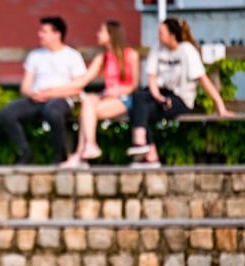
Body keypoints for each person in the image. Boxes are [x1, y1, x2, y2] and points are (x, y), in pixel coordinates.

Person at [127, 17, 235, 167]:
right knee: (138, 99)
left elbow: (204, 80)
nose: (158, 36)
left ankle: (149, 154)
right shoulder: (157, 48)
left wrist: (220, 106)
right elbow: (152, 78)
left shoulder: (187, 51)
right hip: (160, 94)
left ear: (172, 35)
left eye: (161, 33)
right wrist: (159, 98)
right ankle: (142, 145)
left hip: (181, 99)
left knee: (140, 111)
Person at [0, 16, 87, 165]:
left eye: (44, 31)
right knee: (7, 113)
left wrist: (52, 93)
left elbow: (78, 87)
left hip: (61, 99)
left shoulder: (72, 56)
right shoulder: (35, 56)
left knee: (53, 112)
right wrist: (32, 93)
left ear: (57, 34)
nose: (40, 34)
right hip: (37, 99)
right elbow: (25, 86)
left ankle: (60, 154)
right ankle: (25, 152)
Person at [57, 20, 140, 168]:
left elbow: (134, 85)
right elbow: (85, 80)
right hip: (107, 97)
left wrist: (119, 91)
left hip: (125, 98)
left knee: (87, 112)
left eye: (101, 31)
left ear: (111, 34)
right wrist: (57, 90)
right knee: (89, 100)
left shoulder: (131, 55)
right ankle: (89, 145)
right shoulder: (102, 58)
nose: (98, 34)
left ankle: (80, 154)